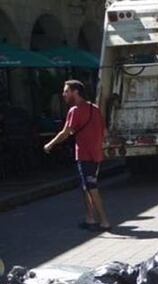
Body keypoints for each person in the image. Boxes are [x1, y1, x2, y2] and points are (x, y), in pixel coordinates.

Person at [44, 79, 110, 231]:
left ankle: (104, 221)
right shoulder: (95, 108)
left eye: (66, 91)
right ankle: (90, 219)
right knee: (86, 187)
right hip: (95, 154)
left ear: (76, 92)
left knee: (91, 188)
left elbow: (65, 132)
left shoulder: (74, 111)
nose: (63, 94)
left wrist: (50, 144)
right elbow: (104, 132)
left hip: (85, 155)